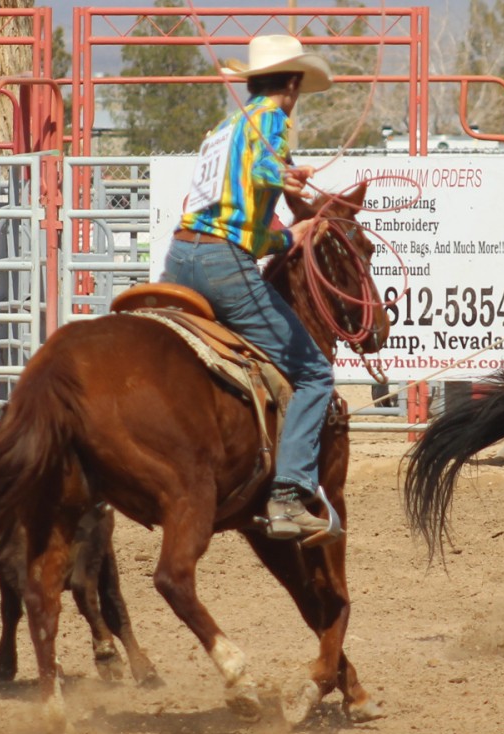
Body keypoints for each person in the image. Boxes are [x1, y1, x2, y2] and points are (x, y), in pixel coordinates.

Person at [160, 35, 337, 542]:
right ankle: (288, 494)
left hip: (180, 256)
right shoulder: (271, 118)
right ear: (291, 83)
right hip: (223, 264)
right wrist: (288, 190)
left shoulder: (222, 128)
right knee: (313, 374)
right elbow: (262, 170)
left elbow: (240, 197)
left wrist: (283, 223)